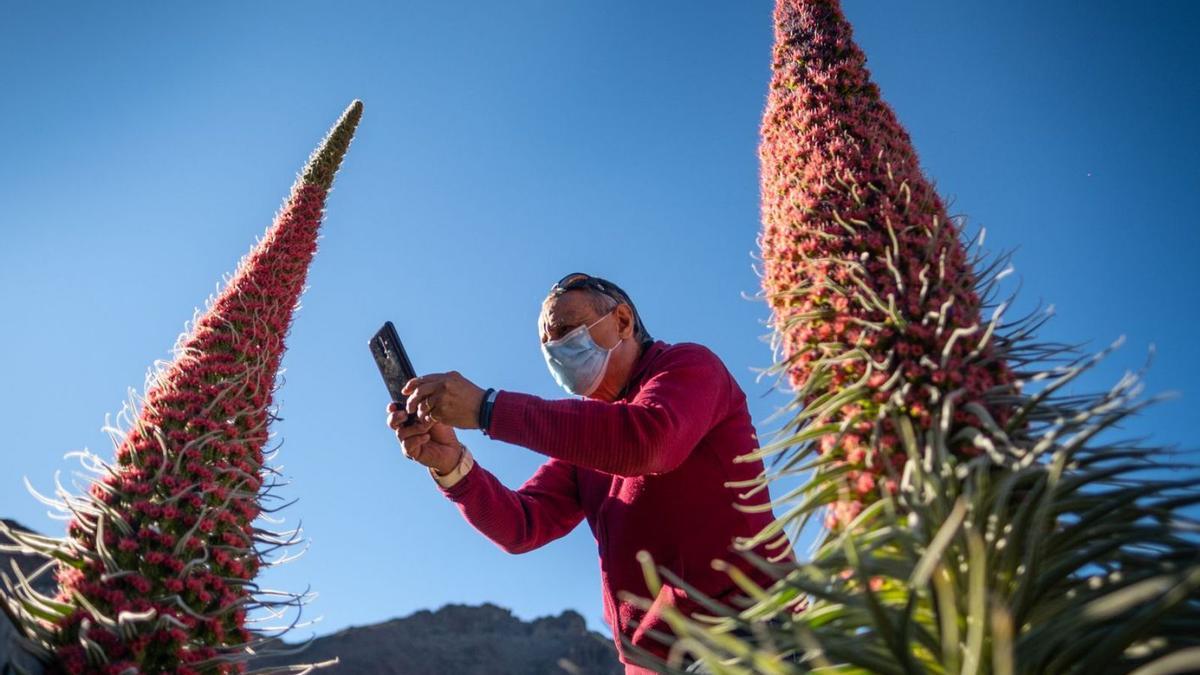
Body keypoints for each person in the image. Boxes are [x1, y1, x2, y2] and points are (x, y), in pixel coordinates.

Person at [386, 273, 789, 673]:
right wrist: (451, 464)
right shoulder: (592, 441)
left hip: (745, 636)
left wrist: (487, 408)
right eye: (548, 345)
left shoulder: (688, 366)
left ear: (624, 321)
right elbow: (523, 524)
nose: (557, 350)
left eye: (566, 331)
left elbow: (649, 442)